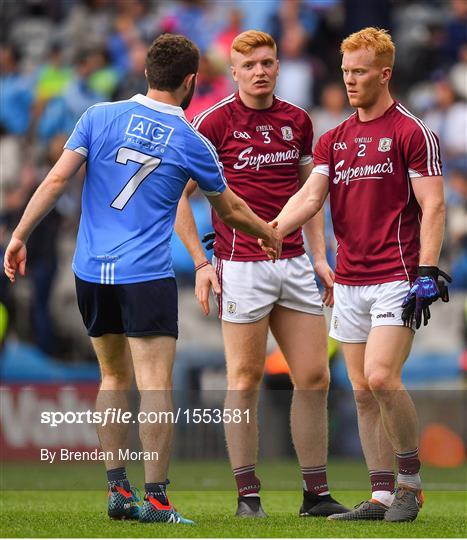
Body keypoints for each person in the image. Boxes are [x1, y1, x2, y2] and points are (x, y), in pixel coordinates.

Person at [3, 33, 281, 526]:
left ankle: (117, 490)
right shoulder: (192, 141)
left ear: (148, 73)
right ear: (191, 81)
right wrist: (267, 232)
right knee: (155, 385)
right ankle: (156, 500)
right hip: (145, 275)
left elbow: (55, 180)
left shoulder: (97, 116)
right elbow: (231, 208)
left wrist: (19, 234)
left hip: (90, 271)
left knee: (112, 377)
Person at [263, 27, 450, 522]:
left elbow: (433, 205)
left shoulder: (412, 131)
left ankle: (410, 484)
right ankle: (382, 495)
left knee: (383, 377)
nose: (349, 80)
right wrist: (273, 228)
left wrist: (428, 270)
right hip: (348, 280)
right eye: (345, 71)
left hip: (397, 274)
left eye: (360, 72)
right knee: (362, 392)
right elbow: (309, 197)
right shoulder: (334, 139)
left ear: (384, 74)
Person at [175, 30, 348, 519]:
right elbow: (176, 197)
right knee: (245, 379)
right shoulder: (212, 122)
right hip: (241, 266)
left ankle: (315, 495)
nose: (259, 71)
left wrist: (319, 257)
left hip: (294, 263)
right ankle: (247, 497)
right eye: (249, 64)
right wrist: (202, 263)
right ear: (233, 71)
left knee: (314, 377)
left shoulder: (298, 120)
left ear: (277, 67)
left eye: (267, 62)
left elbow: (310, 198)